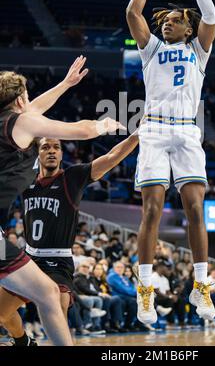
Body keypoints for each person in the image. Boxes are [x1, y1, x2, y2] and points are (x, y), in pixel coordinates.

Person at [0, 59, 123, 346]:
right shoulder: (21, 121)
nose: (30, 101)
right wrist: (102, 124)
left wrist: (65, 85)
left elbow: (33, 109)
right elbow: (80, 131)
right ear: (19, 98)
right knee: (47, 294)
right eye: (27, 95)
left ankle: (23, 342)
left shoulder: (9, 119)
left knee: (46, 293)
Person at [126, 0, 215, 324]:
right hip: (155, 129)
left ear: (188, 30)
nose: (167, 24)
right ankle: (144, 291)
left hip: (186, 131)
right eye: (164, 21)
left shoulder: (199, 50)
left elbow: (210, 16)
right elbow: (133, 13)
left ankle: (201, 285)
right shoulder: (150, 50)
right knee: (151, 211)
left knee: (195, 209)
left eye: (175, 21)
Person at [0, 131, 138, 342]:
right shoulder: (26, 180)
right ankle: (23, 341)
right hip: (29, 260)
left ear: (62, 154)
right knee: (2, 314)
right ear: (38, 154)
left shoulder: (72, 177)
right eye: (46, 147)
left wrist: (135, 137)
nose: (52, 151)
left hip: (58, 262)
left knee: (58, 317)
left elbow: (110, 158)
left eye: (56, 147)